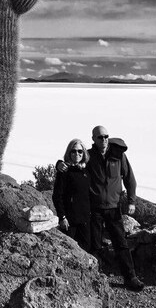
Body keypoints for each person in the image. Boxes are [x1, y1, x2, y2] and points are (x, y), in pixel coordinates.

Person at [58, 125, 145, 291]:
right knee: (94, 245)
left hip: (114, 208)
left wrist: (132, 201)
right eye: (100, 137)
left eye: (106, 136)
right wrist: (59, 164)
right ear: (93, 139)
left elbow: (129, 179)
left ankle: (130, 277)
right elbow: (74, 165)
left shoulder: (118, 155)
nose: (104, 140)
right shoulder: (89, 156)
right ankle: (95, 280)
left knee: (121, 244)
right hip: (94, 208)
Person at [52, 138, 91, 252]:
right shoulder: (64, 171)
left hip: (85, 220)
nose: (77, 154)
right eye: (73, 151)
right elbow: (57, 196)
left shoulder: (86, 171)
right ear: (69, 153)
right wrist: (62, 217)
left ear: (84, 153)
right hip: (69, 222)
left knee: (86, 251)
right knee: (68, 252)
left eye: (80, 151)